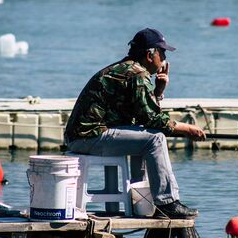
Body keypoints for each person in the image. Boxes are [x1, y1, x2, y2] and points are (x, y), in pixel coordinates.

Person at [64, 28, 206, 219]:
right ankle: (167, 202)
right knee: (155, 140)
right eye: (162, 53)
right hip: (88, 137)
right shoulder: (138, 74)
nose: (164, 59)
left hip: (83, 136)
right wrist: (187, 129)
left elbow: (143, 117)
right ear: (150, 55)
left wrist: (158, 92)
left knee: (145, 134)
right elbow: (154, 120)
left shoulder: (128, 68)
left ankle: (142, 200)